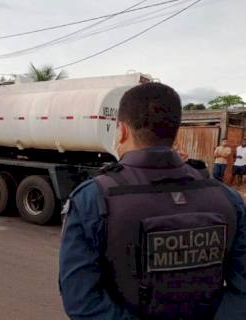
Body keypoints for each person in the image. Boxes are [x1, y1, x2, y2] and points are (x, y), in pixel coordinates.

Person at [59, 83, 246, 320]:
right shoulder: (228, 198)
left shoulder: (92, 198)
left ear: (123, 131)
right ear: (175, 131)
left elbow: (82, 301)